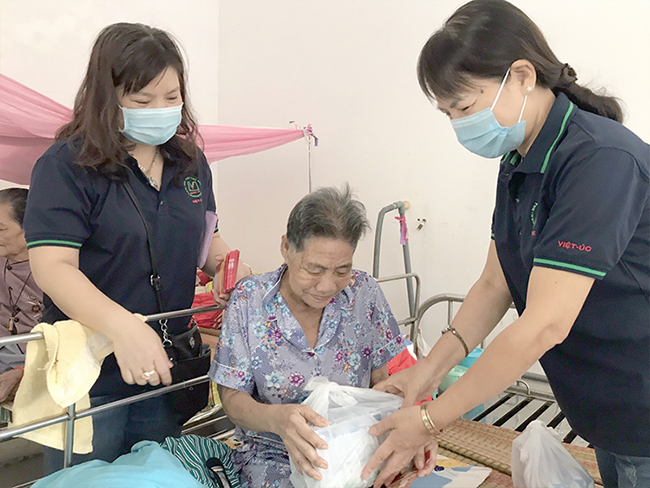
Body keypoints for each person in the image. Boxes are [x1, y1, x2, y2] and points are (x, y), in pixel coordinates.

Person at [362, 1, 650, 487]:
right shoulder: (519, 160)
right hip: (602, 404)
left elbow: (545, 322)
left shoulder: (601, 159)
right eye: (448, 113)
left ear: (521, 76)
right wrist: (426, 373)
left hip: (639, 395)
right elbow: (495, 283)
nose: (458, 125)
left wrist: (430, 421)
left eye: (464, 107)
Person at [23, 23, 250, 470]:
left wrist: (230, 269)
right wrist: (123, 328)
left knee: (156, 473)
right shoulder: (67, 166)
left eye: (171, 97)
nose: (160, 111)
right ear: (105, 97)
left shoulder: (190, 163)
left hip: (166, 366)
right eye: (142, 101)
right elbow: (53, 266)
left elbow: (206, 239)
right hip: (90, 373)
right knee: (86, 478)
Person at [210, 186, 406, 488]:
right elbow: (233, 400)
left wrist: (393, 404)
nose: (327, 286)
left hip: (354, 452)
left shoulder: (364, 293)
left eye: (341, 270)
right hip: (274, 457)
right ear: (286, 247)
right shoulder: (250, 300)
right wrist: (278, 420)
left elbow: (379, 379)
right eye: (314, 269)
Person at [0, 188, 43, 403]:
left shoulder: (54, 270)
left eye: (1, 229)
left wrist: (24, 371)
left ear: (28, 228)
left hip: (37, 358)